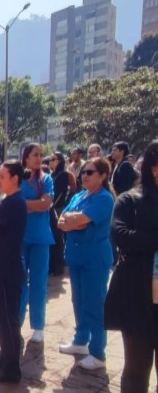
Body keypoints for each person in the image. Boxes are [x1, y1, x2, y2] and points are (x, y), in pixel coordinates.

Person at [104, 141, 158, 393]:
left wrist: (146, 241)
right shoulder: (130, 200)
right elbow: (120, 235)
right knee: (136, 369)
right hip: (138, 301)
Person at [57, 157, 115, 370]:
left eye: (90, 172)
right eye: (83, 172)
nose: (84, 176)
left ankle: (98, 352)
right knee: (78, 301)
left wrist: (74, 221)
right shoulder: (80, 196)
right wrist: (73, 221)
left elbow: (78, 221)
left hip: (95, 259)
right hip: (76, 257)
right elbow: (61, 220)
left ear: (102, 176)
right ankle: (81, 340)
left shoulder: (104, 199)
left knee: (94, 304)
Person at [0, 161, 28, 383]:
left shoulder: (13, 203)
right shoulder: (10, 201)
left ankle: (11, 368)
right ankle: (6, 355)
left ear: (15, 179)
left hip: (6, 270)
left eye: (2, 177)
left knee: (7, 318)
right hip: (2, 267)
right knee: (2, 317)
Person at [19, 143, 55, 345]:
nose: (39, 158)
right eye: (35, 155)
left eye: (41, 155)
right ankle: (17, 322)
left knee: (39, 283)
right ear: (26, 157)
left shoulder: (46, 179)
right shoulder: (20, 179)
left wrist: (25, 205)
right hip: (21, 238)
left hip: (41, 238)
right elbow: (13, 204)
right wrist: (35, 205)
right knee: (20, 282)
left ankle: (38, 326)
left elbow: (46, 204)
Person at [49, 151, 73, 276]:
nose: (51, 161)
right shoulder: (53, 174)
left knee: (58, 238)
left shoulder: (63, 174)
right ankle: (53, 265)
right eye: (51, 159)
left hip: (57, 208)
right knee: (53, 238)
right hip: (51, 208)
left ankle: (58, 266)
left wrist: (52, 204)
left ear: (60, 161)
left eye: (54, 159)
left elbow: (58, 194)